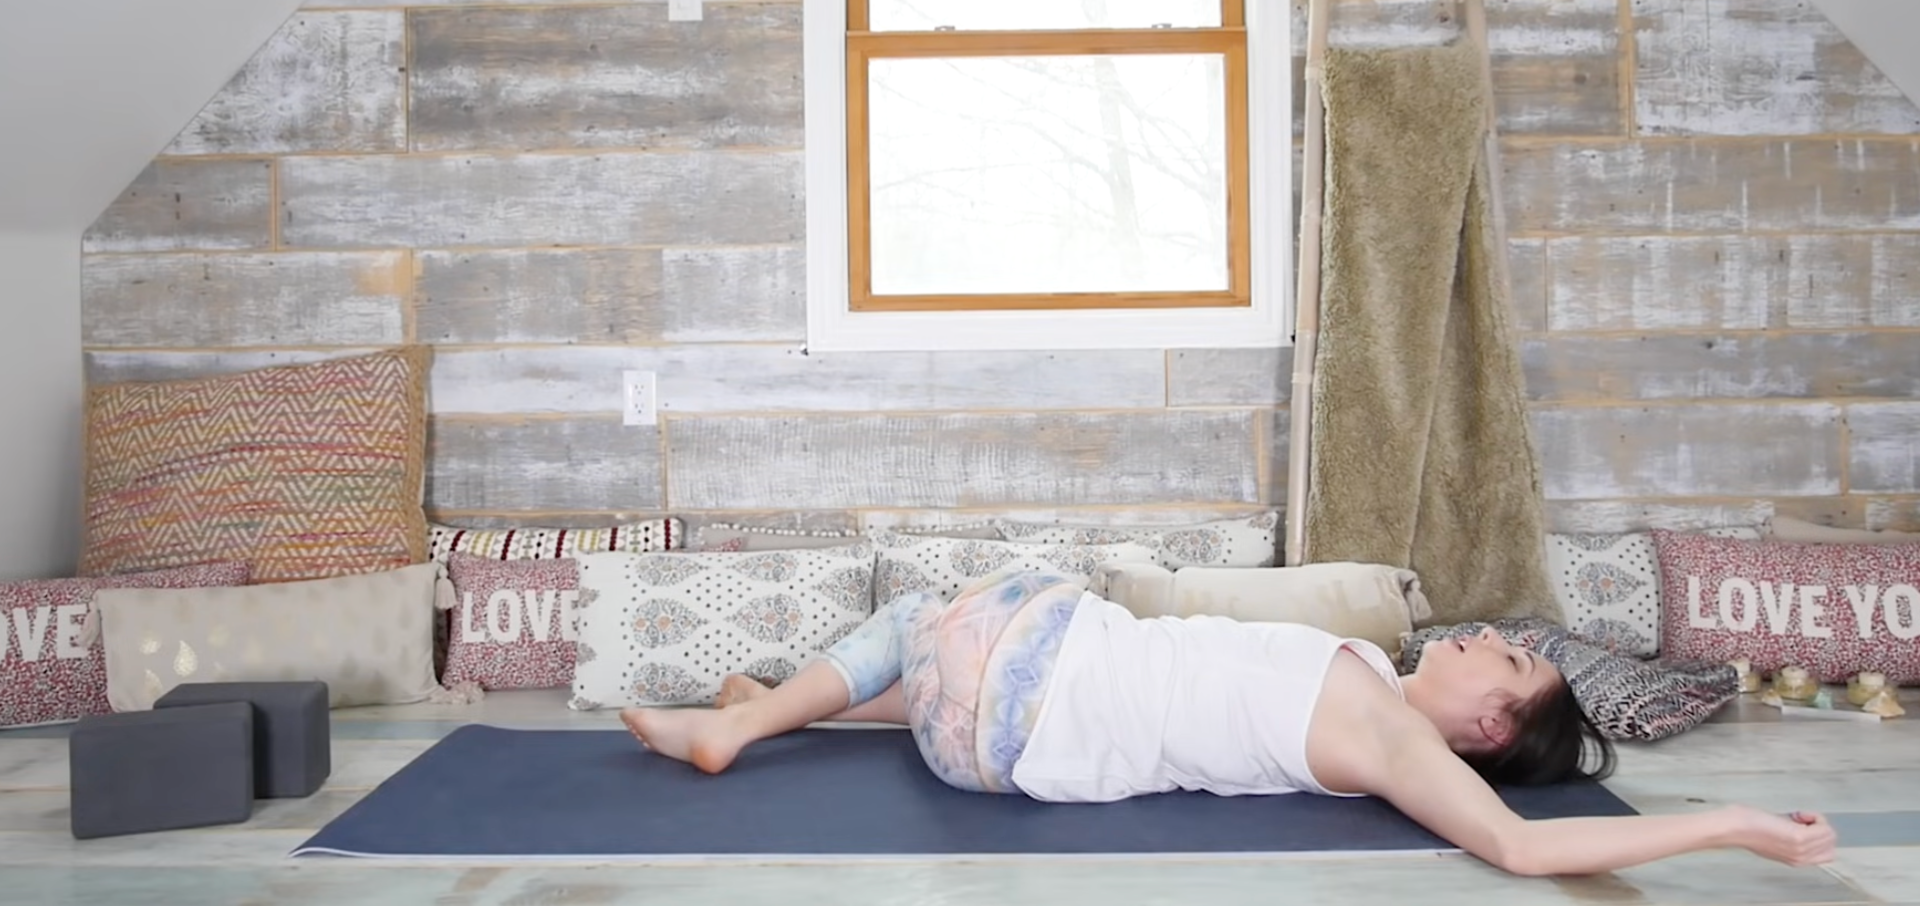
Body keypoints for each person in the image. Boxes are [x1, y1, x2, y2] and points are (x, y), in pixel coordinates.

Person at [621, 571, 1836, 876]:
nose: (1479, 637)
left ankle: (752, 723)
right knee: (931, 653)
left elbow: (1522, 847)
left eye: (1503, 660)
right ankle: (774, 712)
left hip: (1019, 680)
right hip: (989, 740)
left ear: (1485, 728)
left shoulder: (1400, 744)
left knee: (909, 618)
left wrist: (1733, 824)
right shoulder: (1371, 682)